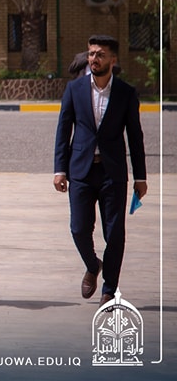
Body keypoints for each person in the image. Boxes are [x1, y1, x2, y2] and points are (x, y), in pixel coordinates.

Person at [54, 34, 147, 305]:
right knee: (78, 229)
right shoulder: (75, 89)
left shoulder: (126, 93)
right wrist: (60, 169)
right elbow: (63, 130)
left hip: (112, 173)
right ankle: (92, 265)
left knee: (114, 233)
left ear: (112, 60)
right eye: (91, 54)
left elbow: (135, 136)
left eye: (100, 54)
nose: (94, 59)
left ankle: (109, 289)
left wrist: (140, 177)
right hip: (81, 171)